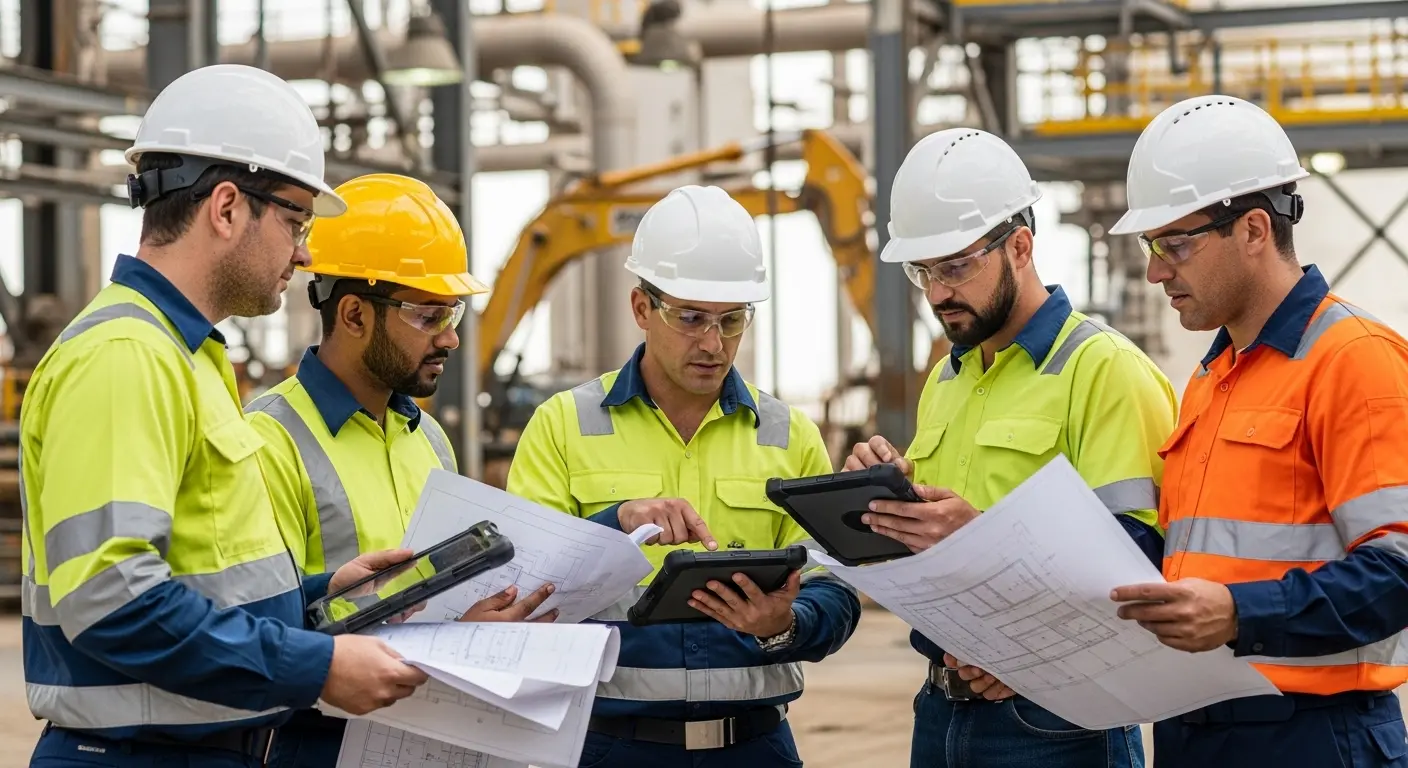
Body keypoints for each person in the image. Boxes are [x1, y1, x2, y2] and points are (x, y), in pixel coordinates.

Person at [18, 65, 433, 768]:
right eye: (297, 221)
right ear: (227, 207)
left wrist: (314, 598)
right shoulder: (127, 354)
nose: (303, 253)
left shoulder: (189, 357)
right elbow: (110, 599)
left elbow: (198, 579)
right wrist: (316, 665)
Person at [845, 127, 1178, 768]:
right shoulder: (946, 380)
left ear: (1020, 246)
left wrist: (988, 546)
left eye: (956, 265)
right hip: (940, 710)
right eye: (923, 270)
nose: (938, 292)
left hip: (1058, 721)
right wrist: (885, 505)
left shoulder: (1105, 371)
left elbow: (1140, 567)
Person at [506, 184, 862, 767]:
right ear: (642, 308)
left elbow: (837, 590)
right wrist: (614, 523)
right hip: (606, 746)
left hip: (756, 748)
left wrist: (786, 623)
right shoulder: (564, 425)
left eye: (732, 320)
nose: (713, 343)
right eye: (691, 317)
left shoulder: (788, 433)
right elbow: (520, 584)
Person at [1106, 94, 1408, 768]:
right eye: (1150, 248)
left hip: (1311, 735)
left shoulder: (1353, 359)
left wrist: (1242, 613)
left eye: (1173, 244)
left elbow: (1399, 572)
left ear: (1251, 231)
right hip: (1194, 726)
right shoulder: (1213, 378)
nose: (1157, 271)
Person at [245, 173, 560, 767]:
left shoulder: (430, 439)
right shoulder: (267, 439)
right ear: (356, 314)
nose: (453, 338)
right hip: (321, 745)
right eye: (428, 316)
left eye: (454, 312)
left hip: (434, 732)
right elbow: (260, 630)